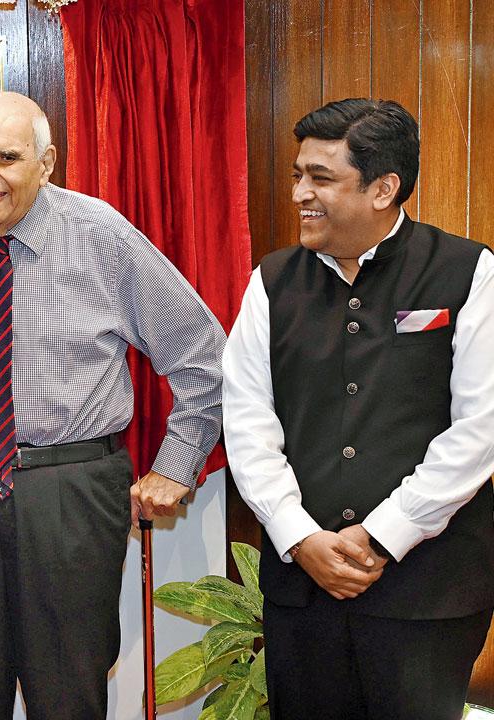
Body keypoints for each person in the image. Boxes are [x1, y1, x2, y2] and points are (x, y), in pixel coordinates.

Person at [0, 91, 225, 718]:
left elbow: (201, 353)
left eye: (7, 158)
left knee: (68, 689)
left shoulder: (99, 233)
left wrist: (175, 466)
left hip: (72, 489)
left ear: (47, 163)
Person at [224, 98, 494, 720]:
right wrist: (299, 537)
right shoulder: (271, 281)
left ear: (383, 189)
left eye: (321, 178)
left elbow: (479, 429)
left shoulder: (467, 271)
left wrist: (383, 533)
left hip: (430, 593)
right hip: (303, 591)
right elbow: (246, 422)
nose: (300, 193)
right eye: (298, 175)